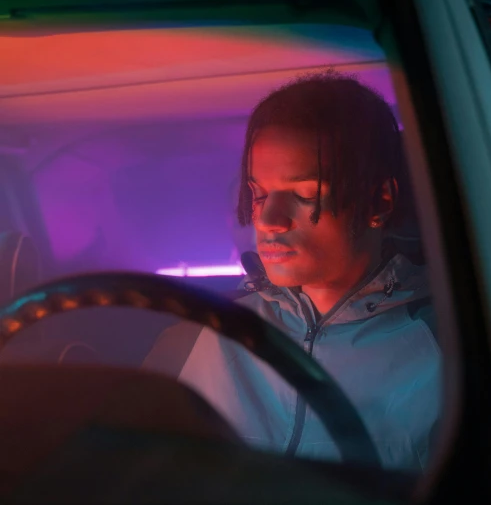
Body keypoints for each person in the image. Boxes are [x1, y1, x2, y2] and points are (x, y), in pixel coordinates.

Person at [143, 69, 441, 471]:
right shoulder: (193, 338)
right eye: (258, 193)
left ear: (379, 202)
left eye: (304, 195)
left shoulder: (452, 352)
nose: (268, 219)